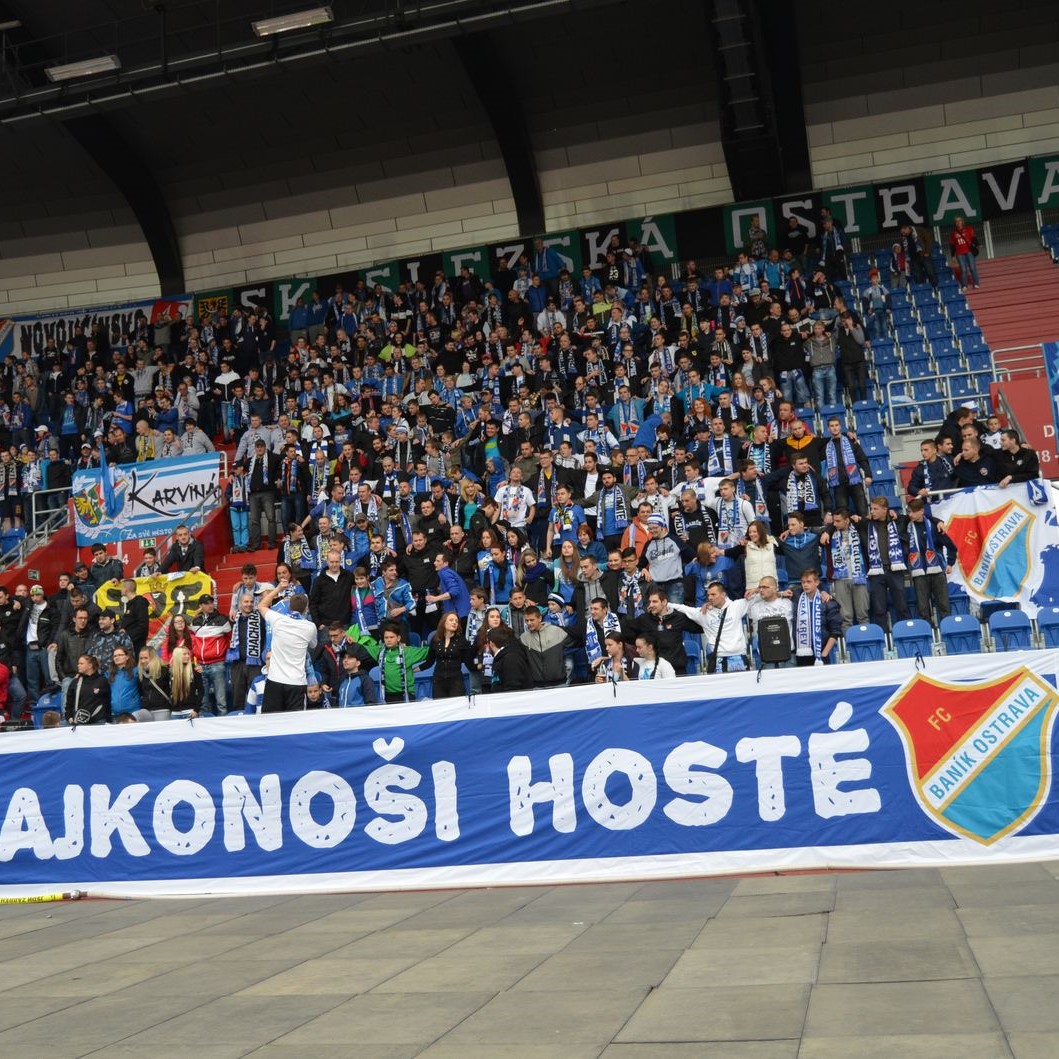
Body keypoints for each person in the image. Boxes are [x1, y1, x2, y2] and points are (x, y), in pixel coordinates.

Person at [258, 577, 318, 712]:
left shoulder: (277, 619)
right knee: (295, 725)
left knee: (270, 721)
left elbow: (261, 605)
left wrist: (278, 588)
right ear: (306, 609)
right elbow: (313, 645)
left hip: (275, 681)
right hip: (296, 682)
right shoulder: (310, 627)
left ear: (289, 606)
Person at [347, 619, 433, 704]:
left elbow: (431, 651)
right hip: (387, 696)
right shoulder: (379, 651)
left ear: (398, 638)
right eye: (386, 637)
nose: (388, 640)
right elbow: (361, 650)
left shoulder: (408, 651)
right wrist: (352, 642)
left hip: (406, 696)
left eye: (392, 637)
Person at [904, 497, 957, 623]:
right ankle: (929, 636)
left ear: (921, 511)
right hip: (919, 574)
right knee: (923, 609)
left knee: (944, 605)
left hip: (938, 571)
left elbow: (951, 546)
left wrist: (950, 563)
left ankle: (947, 632)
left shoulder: (934, 526)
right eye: (908, 512)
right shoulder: (906, 526)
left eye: (912, 512)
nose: (909, 515)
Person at [863, 496, 909, 631]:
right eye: (871, 509)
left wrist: (939, 521)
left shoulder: (898, 521)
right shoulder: (867, 524)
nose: (872, 512)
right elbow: (846, 520)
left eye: (876, 509)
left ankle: (904, 633)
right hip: (877, 571)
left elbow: (918, 514)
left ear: (885, 510)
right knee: (879, 609)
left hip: (895, 570)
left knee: (901, 606)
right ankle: (883, 637)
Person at [821, 508, 870, 631]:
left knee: (863, 615)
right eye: (833, 521)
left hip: (859, 576)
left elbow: (874, 519)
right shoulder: (830, 533)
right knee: (845, 617)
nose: (835, 524)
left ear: (847, 520)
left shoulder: (859, 528)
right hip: (840, 579)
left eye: (838, 521)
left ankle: (866, 641)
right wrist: (829, 530)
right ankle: (849, 647)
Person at [189, 594, 232, 715]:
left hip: (217, 664)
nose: (210, 605)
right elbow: (193, 639)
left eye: (211, 602)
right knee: (203, 702)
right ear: (201, 606)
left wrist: (222, 653)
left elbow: (230, 639)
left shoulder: (222, 620)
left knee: (221, 701)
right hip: (201, 665)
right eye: (206, 603)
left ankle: (223, 728)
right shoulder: (195, 621)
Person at [793, 569, 843, 666]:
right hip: (802, 654)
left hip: (823, 653)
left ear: (817, 582)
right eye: (803, 582)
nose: (805, 585)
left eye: (809, 582)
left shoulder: (828, 602)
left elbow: (836, 631)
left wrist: (824, 654)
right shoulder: (796, 598)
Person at [521, 605, 570, 688]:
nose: (529, 623)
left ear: (540, 618)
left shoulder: (556, 631)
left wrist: (563, 665)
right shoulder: (523, 638)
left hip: (559, 683)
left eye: (532, 620)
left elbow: (573, 647)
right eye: (527, 620)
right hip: (537, 686)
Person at [431, 611, 472, 699]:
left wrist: (478, 666)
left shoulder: (462, 641)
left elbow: (469, 661)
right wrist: (412, 669)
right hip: (438, 681)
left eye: (456, 621)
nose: (454, 622)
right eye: (451, 620)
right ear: (444, 622)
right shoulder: (435, 639)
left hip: (456, 681)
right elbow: (429, 661)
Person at [64, 653, 111, 725]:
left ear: (90, 665)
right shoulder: (75, 682)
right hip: (78, 723)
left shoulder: (102, 681)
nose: (78, 665)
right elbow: (69, 703)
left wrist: (108, 720)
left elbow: (107, 702)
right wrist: (69, 717)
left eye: (81, 663)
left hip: (98, 722)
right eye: (78, 663)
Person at [484, 626, 533, 691]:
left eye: (487, 643)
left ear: (491, 643)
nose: (486, 646)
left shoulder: (511, 659)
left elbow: (513, 688)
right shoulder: (502, 657)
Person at [168, 645, 205, 717]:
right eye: (184, 654)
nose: (188, 656)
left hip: (190, 712)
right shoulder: (170, 672)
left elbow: (201, 691)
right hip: (175, 713)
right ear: (177, 656)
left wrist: (196, 710)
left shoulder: (195, 670)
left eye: (188, 654)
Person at [116, 578, 150, 653]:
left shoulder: (140, 603)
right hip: (129, 645)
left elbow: (143, 626)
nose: (120, 590)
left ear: (126, 589)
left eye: (122, 587)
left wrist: (127, 635)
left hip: (137, 646)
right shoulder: (130, 604)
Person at [108, 645, 142, 719]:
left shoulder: (136, 671)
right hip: (115, 714)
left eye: (120, 655)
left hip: (133, 713)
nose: (117, 657)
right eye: (115, 656)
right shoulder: (109, 674)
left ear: (127, 657)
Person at [949, 215, 979, 290]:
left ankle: (976, 283)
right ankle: (964, 285)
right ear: (955, 223)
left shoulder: (969, 229)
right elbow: (952, 245)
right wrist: (952, 256)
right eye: (956, 221)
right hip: (959, 253)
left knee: (972, 268)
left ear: (962, 221)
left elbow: (973, 238)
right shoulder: (953, 234)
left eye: (959, 221)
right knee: (963, 269)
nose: (958, 222)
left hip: (969, 251)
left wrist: (978, 244)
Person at [137, 647, 172, 714]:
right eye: (141, 658)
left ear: (153, 658)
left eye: (146, 658)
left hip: (162, 708)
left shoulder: (164, 670)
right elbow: (141, 691)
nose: (143, 661)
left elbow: (170, 689)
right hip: (146, 709)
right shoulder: (141, 673)